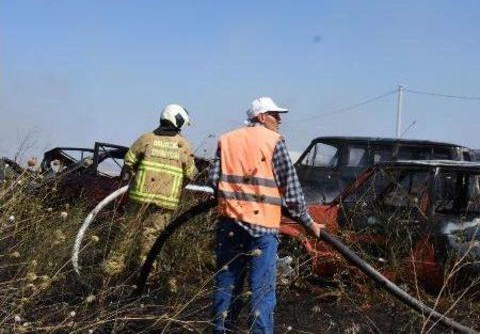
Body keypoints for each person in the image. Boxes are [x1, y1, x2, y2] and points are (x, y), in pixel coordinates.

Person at [210, 97, 323, 334]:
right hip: (262, 229)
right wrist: (309, 222)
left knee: (226, 288)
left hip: (230, 225)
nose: (279, 120)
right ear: (261, 117)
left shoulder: (227, 140)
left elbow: (214, 179)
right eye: (275, 114)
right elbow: (291, 189)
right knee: (261, 291)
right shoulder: (273, 142)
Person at [103, 103, 197, 277]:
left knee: (126, 235)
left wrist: (137, 178)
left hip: (138, 198)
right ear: (178, 121)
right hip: (165, 203)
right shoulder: (183, 145)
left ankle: (109, 274)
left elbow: (129, 162)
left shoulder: (145, 139)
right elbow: (191, 174)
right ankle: (145, 279)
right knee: (151, 239)